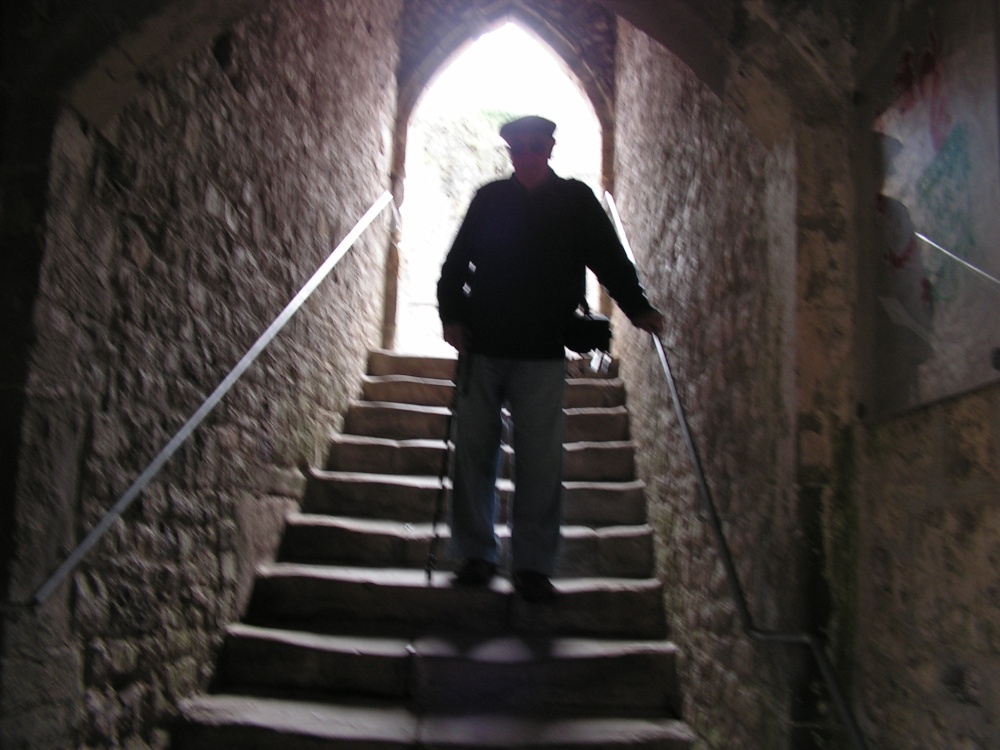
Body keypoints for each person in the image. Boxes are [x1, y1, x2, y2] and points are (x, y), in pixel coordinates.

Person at [436, 115, 664, 603]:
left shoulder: (576, 201)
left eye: (534, 145)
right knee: (474, 454)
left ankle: (534, 565)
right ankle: (476, 553)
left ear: (550, 147)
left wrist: (638, 308)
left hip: (542, 351)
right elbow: (456, 264)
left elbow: (610, 260)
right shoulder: (489, 199)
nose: (526, 154)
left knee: (540, 461)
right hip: (484, 345)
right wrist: (452, 315)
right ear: (510, 152)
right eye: (517, 147)